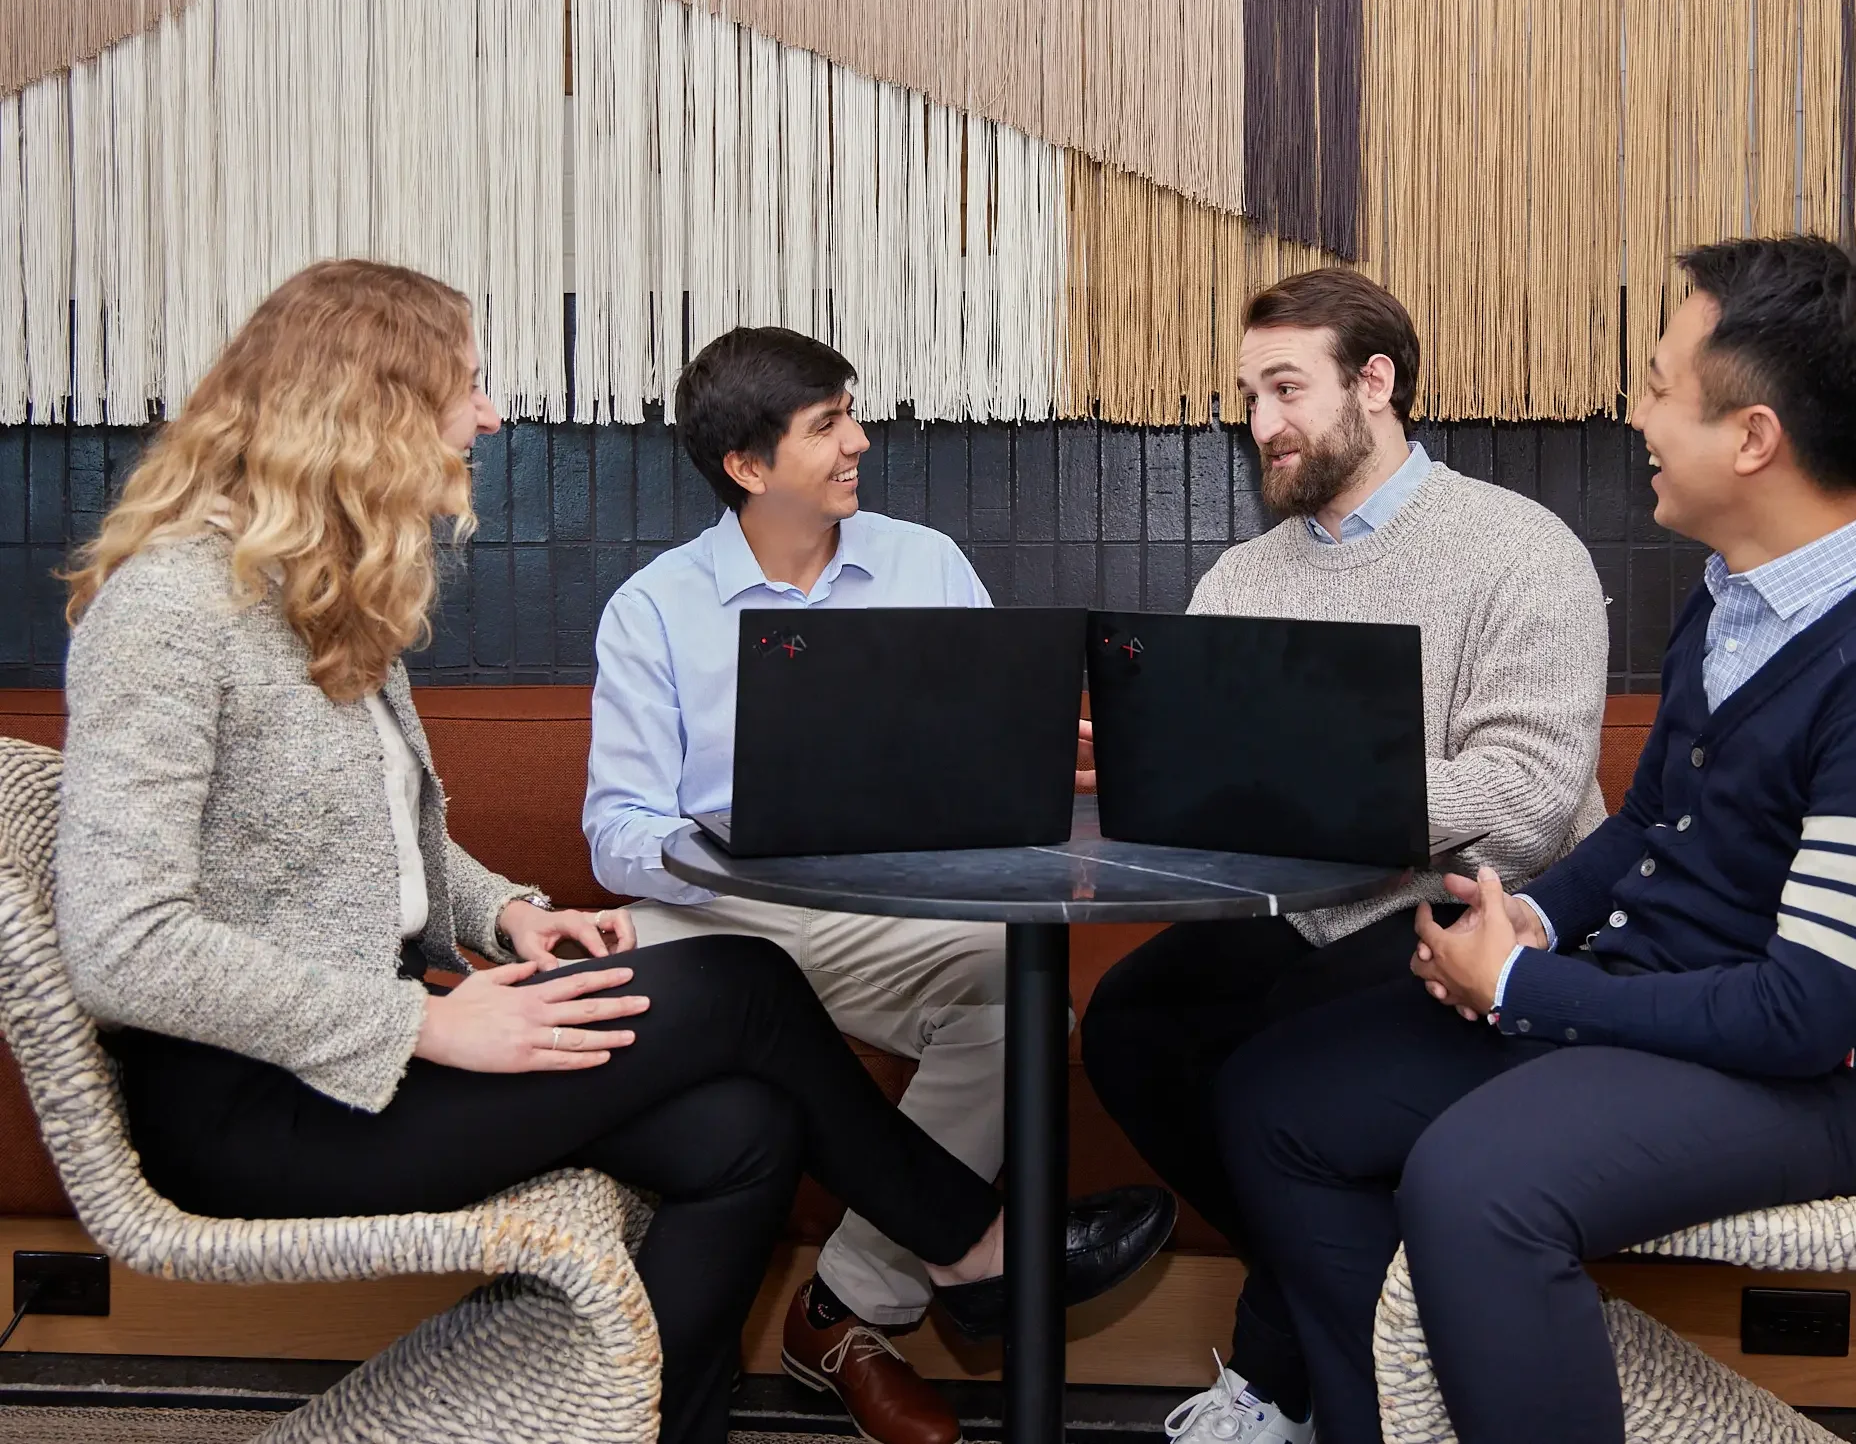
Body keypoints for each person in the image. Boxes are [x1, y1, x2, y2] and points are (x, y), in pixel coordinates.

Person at [53, 260, 1174, 1444]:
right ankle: (974, 1248)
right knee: (747, 982)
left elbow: (383, 851)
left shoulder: (325, 599)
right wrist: (424, 1024)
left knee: (743, 1131)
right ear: (368, 410)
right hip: (264, 1106)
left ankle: (664, 1424)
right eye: (466, 388)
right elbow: (118, 946)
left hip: (356, 1062)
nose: (489, 415)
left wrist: (506, 918)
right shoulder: (171, 610)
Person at [1219, 236, 1856, 1444]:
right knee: (1275, 1099)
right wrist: (1529, 919)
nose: (1630, 414)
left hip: (1799, 1082)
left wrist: (1525, 987)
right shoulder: (1734, 593)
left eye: (1655, 385)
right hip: (1654, 1004)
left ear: (1750, 438)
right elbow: (1643, 824)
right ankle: (1373, 1421)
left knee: (1476, 1182)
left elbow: (1805, 1016)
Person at [1079, 267, 1608, 1444]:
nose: (1259, 423)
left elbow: (1521, 807)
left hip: (1484, 914)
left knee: (1290, 1045)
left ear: (1374, 384)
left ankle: (1287, 1375)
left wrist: (1303, 799)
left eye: (1284, 388)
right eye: (1248, 394)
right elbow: (1220, 797)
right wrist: (1146, 769)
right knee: (1128, 1024)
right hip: (1303, 912)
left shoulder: (1519, 551)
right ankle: (1355, 1311)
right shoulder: (1242, 577)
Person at [583, 328, 1011, 1444]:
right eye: (826, 425)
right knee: (668, 1025)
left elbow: (991, 767)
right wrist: (728, 844)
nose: (858, 441)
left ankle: (848, 1306)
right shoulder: (652, 609)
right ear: (747, 465)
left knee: (1019, 989)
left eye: (849, 413)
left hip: (889, 916)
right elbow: (613, 835)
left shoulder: (927, 566)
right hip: (717, 910)